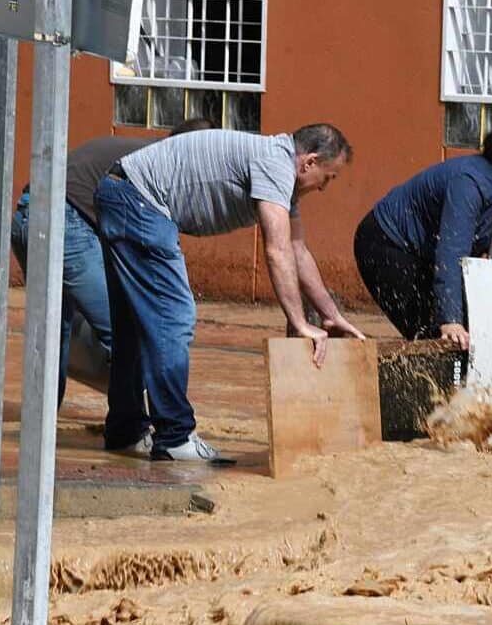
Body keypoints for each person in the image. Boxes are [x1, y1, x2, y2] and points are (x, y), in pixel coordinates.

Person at [95, 124, 363, 463]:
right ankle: (174, 437)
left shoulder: (278, 172)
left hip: (123, 195)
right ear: (309, 162)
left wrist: (330, 315)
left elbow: (297, 250)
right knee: (173, 318)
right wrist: (298, 321)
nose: (324, 188)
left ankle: (125, 431)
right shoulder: (275, 163)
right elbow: (276, 251)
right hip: (139, 203)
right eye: (329, 177)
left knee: (135, 326)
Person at [9, 118, 216, 407]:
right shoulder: (160, 166)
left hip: (27, 219)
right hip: (64, 222)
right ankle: (133, 425)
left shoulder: (142, 153)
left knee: (54, 326)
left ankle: (41, 424)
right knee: (131, 330)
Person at [354, 126, 492, 352]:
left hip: (429, 253)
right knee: (435, 336)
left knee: (473, 330)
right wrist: (450, 319)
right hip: (387, 243)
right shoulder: (470, 183)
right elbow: (451, 252)